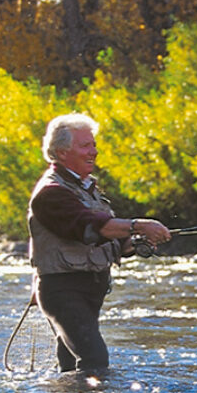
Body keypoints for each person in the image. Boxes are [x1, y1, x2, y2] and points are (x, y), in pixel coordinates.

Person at [27, 112, 172, 373]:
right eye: (85, 146)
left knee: (71, 365)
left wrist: (133, 243)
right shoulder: (51, 193)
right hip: (63, 290)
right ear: (62, 152)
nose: (94, 151)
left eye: (93, 145)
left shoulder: (86, 188)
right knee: (94, 361)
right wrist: (140, 225)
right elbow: (90, 226)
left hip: (89, 289)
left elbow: (103, 238)